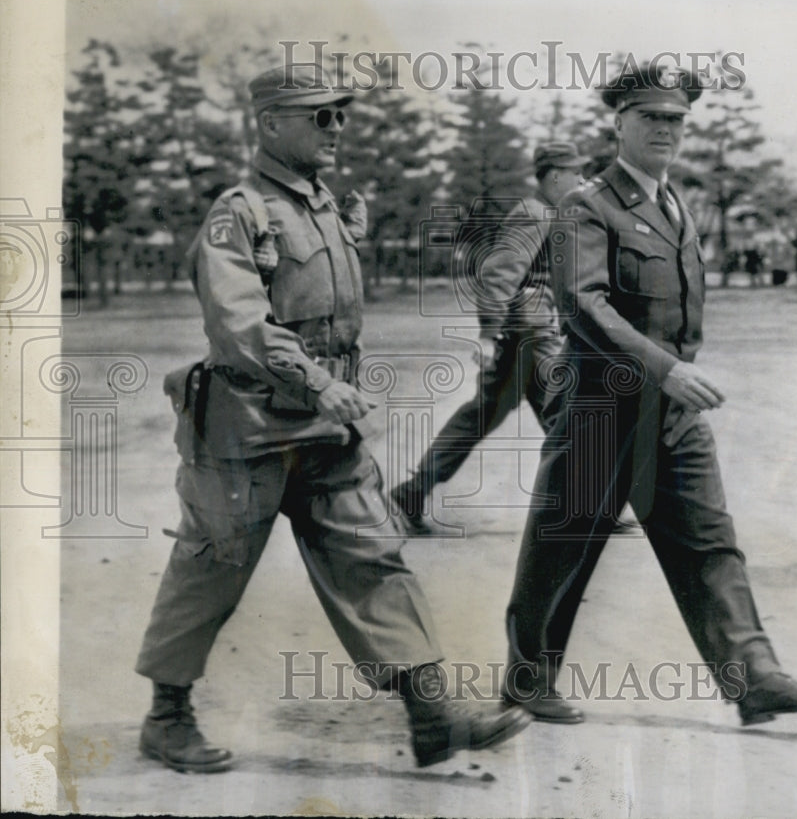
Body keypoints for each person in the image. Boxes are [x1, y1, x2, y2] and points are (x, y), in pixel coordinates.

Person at [134, 62, 531, 773]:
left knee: (373, 559)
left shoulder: (322, 206)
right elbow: (238, 324)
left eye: (341, 115)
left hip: (325, 433)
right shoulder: (240, 211)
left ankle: (432, 714)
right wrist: (317, 383)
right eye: (321, 115)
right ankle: (166, 718)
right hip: (247, 434)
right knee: (210, 572)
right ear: (271, 123)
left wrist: (327, 394)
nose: (337, 128)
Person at [502, 62, 797, 726]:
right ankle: (526, 677)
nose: (666, 129)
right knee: (565, 543)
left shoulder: (675, 205)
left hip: (674, 413)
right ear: (618, 122)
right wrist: (665, 368)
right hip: (602, 409)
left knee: (709, 542)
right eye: (652, 117)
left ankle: (755, 675)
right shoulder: (586, 207)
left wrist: (672, 380)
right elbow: (583, 305)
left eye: (677, 119)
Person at [389, 142, 588, 534]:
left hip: (531, 333)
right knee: (567, 411)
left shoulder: (550, 214)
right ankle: (590, 504)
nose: (582, 178)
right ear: (554, 176)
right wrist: (487, 334)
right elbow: (499, 275)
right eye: (575, 171)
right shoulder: (533, 215)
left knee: (488, 415)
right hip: (530, 334)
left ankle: (413, 491)